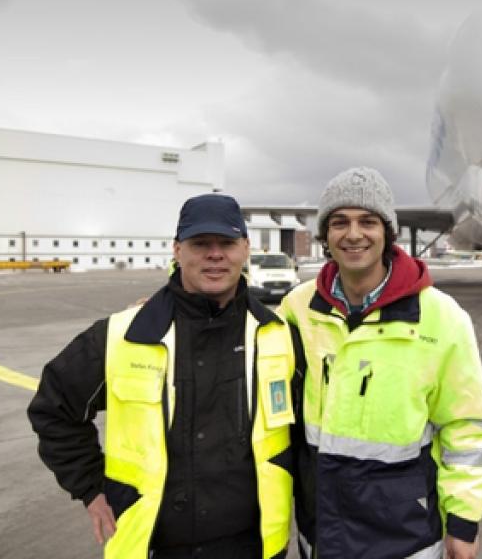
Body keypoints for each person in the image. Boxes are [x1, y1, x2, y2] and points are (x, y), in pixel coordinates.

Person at [28, 193, 301, 559]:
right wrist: (90, 489)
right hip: (155, 547)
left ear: (246, 249)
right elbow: (54, 410)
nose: (215, 254)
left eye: (227, 243)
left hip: (255, 546)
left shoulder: (278, 335)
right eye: (201, 243)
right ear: (177, 250)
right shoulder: (120, 335)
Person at [279, 167, 482, 559]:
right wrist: (172, 305)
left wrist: (463, 521)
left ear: (387, 231)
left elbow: (466, 427)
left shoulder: (441, 318)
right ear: (325, 235)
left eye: (368, 221)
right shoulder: (298, 307)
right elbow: (247, 333)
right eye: (339, 222)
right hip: (323, 530)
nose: (354, 234)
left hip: (403, 535)